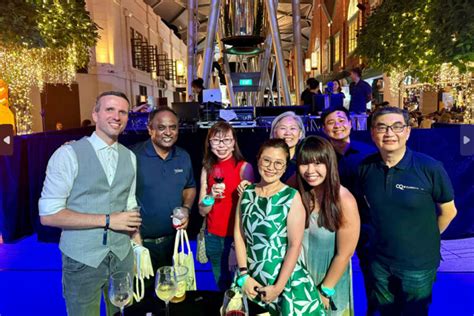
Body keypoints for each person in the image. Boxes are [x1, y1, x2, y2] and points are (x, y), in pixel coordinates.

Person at [39, 91, 141, 316]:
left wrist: (137, 247)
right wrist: (108, 220)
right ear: (95, 115)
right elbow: (48, 215)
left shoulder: (130, 157)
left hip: (122, 257)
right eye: (109, 109)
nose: (117, 116)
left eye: (123, 112)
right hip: (82, 260)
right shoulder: (67, 154)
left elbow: (130, 203)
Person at [358, 106, 457, 315]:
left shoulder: (430, 168)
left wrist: (426, 239)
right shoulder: (366, 168)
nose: (389, 133)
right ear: (372, 133)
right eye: (382, 127)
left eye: (397, 127)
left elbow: (449, 211)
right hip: (380, 261)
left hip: (418, 265)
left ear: (408, 131)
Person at [234, 139, 325, 316]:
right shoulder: (246, 193)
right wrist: (244, 275)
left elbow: (294, 245)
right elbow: (239, 234)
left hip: (284, 282)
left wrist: (278, 288)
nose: (271, 167)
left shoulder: (292, 197)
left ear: (285, 168)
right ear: (258, 159)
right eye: (266, 160)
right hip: (250, 279)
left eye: (278, 163)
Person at [296, 136, 360, 315]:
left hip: (328, 281)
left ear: (329, 163)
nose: (310, 170)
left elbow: (345, 253)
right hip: (298, 281)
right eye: (305, 163)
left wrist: (325, 290)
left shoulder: (343, 199)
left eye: (318, 163)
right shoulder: (298, 190)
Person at [131, 108, 196, 277]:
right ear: (150, 129)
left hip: (173, 244)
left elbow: (190, 186)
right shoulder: (132, 156)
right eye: (161, 128)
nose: (168, 132)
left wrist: (186, 208)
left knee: (172, 297)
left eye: (173, 127)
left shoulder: (183, 156)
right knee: (142, 301)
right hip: (141, 245)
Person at [198, 121, 254, 291]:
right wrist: (210, 197)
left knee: (239, 285)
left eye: (227, 140)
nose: (221, 146)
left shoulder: (244, 168)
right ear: (209, 143)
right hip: (213, 237)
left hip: (236, 238)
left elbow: (252, 209)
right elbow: (202, 211)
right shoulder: (207, 168)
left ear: (234, 142)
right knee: (220, 284)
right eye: (216, 141)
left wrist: (245, 192)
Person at [321, 107, 375, 194]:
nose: (337, 126)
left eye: (341, 121)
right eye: (331, 123)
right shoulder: (321, 155)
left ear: (350, 124)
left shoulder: (368, 152)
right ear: (324, 129)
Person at [270, 111, 305, 182]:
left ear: (300, 134)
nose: (288, 133)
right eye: (283, 128)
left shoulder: (305, 158)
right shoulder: (266, 158)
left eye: (292, 128)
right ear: (274, 132)